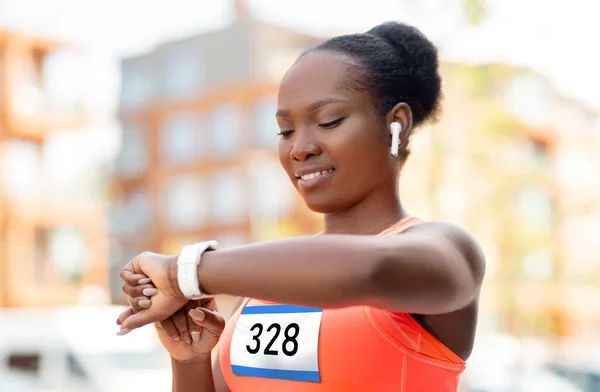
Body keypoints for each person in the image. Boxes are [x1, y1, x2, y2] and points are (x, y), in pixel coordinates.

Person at [116, 21, 486, 392]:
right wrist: (191, 361)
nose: (299, 147)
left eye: (329, 121)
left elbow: (369, 268)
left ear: (397, 125)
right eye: (285, 131)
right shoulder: (262, 284)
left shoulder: (447, 251)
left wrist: (183, 273)